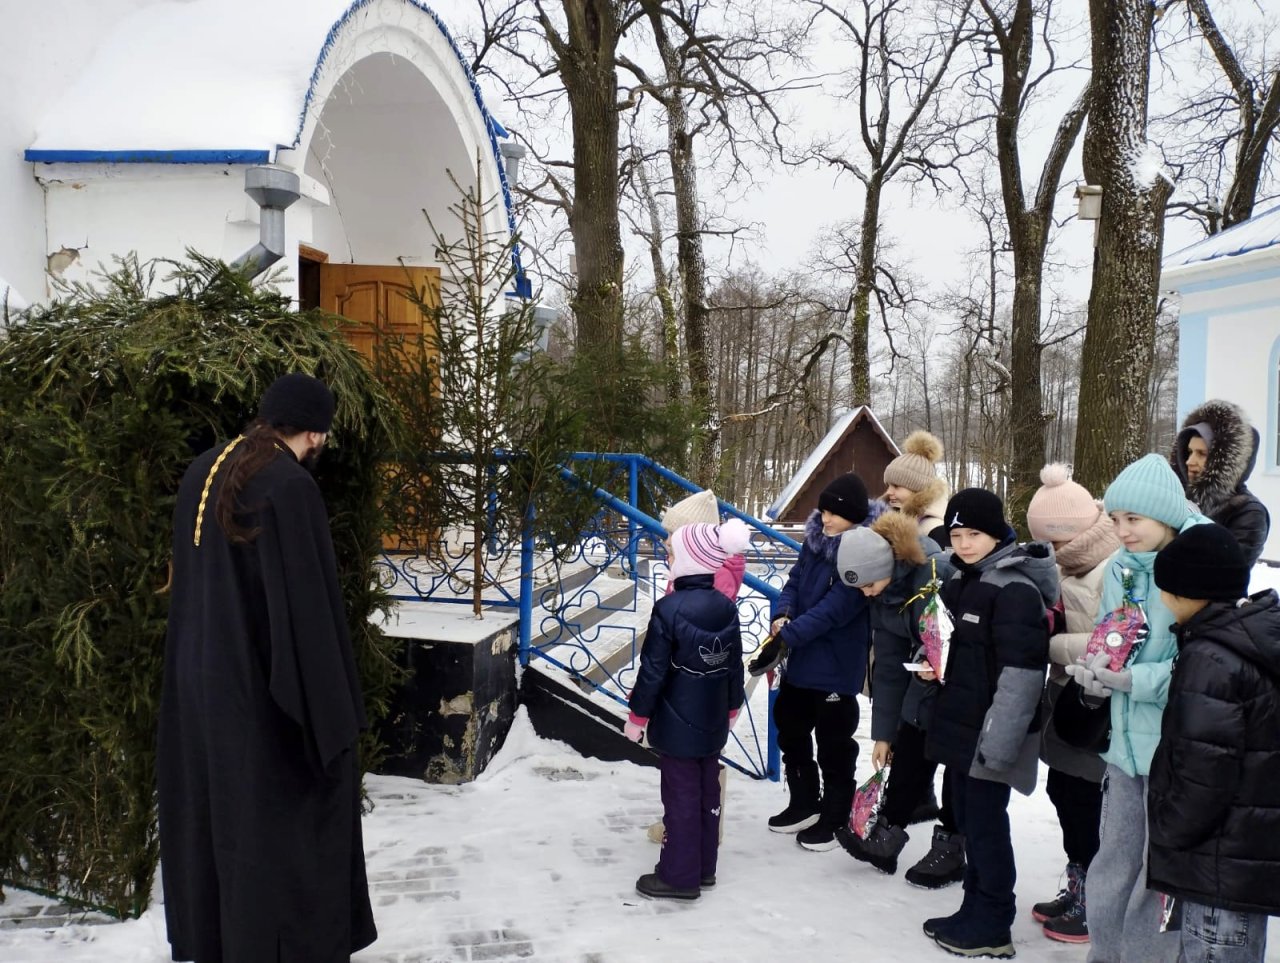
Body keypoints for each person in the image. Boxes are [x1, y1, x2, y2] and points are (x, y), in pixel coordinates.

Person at [158, 373, 377, 963]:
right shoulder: (288, 485)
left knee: (217, 823)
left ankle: (220, 943)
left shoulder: (203, 468)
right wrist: (330, 723)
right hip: (260, 700)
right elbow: (308, 615)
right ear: (313, 431)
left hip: (200, 690)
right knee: (273, 831)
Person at [1064, 453, 1208, 963]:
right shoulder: (1123, 567)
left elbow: (1205, 667)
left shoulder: (1199, 561)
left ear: (1165, 516)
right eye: (1117, 519)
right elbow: (1112, 636)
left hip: (1176, 748)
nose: (1122, 531)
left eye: (1135, 520)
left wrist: (1133, 680)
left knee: (1156, 873)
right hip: (1123, 746)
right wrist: (1096, 673)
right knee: (1113, 862)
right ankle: (1104, 954)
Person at [922, 488, 1057, 960]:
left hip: (992, 734)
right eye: (956, 534)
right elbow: (947, 643)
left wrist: (999, 743)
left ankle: (995, 922)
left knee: (986, 827)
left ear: (997, 533)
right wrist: (928, 659)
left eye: (974, 533)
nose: (963, 543)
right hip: (960, 727)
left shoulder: (1014, 590)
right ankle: (972, 909)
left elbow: (1022, 676)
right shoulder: (961, 581)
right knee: (967, 822)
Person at [1149, 523, 1280, 963]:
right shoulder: (1246, 641)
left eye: (1167, 589)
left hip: (1217, 861)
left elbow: (1204, 770)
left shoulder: (1210, 659)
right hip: (1240, 857)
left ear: (1189, 593)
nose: (1163, 599)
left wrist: (1169, 828)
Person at [831, 511, 964, 887]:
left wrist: (940, 661)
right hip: (921, 689)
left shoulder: (938, 576)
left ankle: (953, 844)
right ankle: (886, 834)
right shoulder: (883, 595)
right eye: (859, 588)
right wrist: (883, 734)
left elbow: (963, 638)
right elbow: (888, 666)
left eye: (869, 584)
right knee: (908, 752)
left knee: (957, 768)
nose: (866, 593)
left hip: (962, 695)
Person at [626, 519, 750, 900]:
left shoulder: (668, 609)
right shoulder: (725, 607)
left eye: (673, 553)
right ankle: (704, 867)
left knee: (679, 796)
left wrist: (637, 718)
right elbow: (734, 664)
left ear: (689, 560)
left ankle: (679, 876)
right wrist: (731, 708)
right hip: (712, 722)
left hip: (678, 724)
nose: (668, 558)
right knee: (706, 792)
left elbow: (653, 671)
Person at [1023, 463, 1121, 944]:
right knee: (1062, 793)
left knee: (1086, 802)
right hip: (1066, 697)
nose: (1053, 552)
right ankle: (1079, 882)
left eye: (1057, 542)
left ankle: (1096, 902)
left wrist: (1051, 645)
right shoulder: (1063, 565)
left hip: (1099, 705)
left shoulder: (1116, 568)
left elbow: (1120, 641)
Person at [751, 473, 873, 851]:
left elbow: (836, 609)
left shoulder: (865, 552)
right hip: (801, 656)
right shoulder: (815, 543)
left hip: (835, 662)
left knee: (834, 740)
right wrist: (783, 613)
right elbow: (793, 581)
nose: (826, 519)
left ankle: (836, 815)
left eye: (834, 513)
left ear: (854, 516)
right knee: (790, 724)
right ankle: (804, 802)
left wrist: (789, 635)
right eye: (823, 511)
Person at [645, 488, 744, 846]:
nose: (666, 542)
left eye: (672, 535)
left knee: (690, 769)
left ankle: (693, 837)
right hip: (697, 688)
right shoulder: (703, 572)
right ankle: (692, 834)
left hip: (693, 688)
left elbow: (693, 638)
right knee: (693, 767)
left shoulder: (711, 578)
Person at [1170, 399, 1270, 566]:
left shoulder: (1249, 513)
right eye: (1189, 452)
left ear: (1222, 460)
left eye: (1201, 453)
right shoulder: (1178, 500)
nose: (1189, 461)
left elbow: (1225, 574)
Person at [883, 429, 951, 547]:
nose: (889, 492)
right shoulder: (898, 518)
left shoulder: (934, 530)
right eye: (888, 485)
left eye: (896, 486)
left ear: (917, 489)